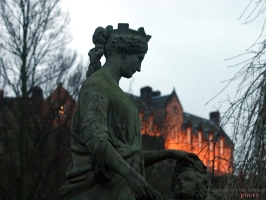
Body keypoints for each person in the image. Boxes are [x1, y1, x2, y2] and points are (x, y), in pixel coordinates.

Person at [59, 23, 197, 200]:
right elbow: (97, 141)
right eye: (138, 59)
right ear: (123, 54)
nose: (139, 68)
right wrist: (131, 176)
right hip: (99, 192)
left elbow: (130, 157)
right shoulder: (96, 85)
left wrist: (169, 153)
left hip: (123, 191)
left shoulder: (122, 98)